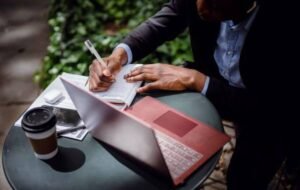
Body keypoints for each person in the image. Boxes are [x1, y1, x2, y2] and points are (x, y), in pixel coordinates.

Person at [88, 0, 297, 189]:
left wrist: (197, 80)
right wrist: (122, 53)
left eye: (215, 5)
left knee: (244, 177)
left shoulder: (284, 20)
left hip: (267, 112)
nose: (201, 9)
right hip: (214, 80)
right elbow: (169, 18)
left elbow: (272, 107)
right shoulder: (200, 3)